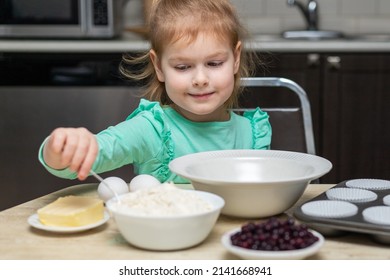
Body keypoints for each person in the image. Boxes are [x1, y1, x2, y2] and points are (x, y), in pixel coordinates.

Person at [38, 0, 272, 183]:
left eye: (214, 63)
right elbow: (89, 157)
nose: (200, 79)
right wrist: (62, 147)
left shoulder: (252, 135)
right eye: (183, 67)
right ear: (159, 66)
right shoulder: (151, 130)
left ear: (235, 59)